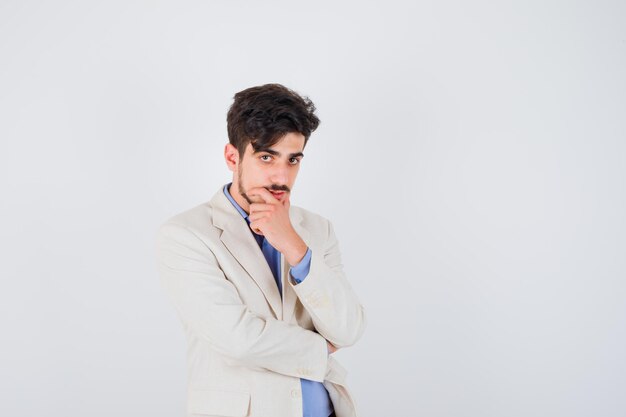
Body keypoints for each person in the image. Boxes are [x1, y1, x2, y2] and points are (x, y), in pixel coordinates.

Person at [156, 83, 366, 417]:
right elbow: (238, 340)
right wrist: (321, 348)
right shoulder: (185, 235)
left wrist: (295, 247)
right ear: (232, 157)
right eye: (266, 157)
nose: (281, 177)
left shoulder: (317, 230)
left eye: (293, 159)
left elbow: (349, 328)